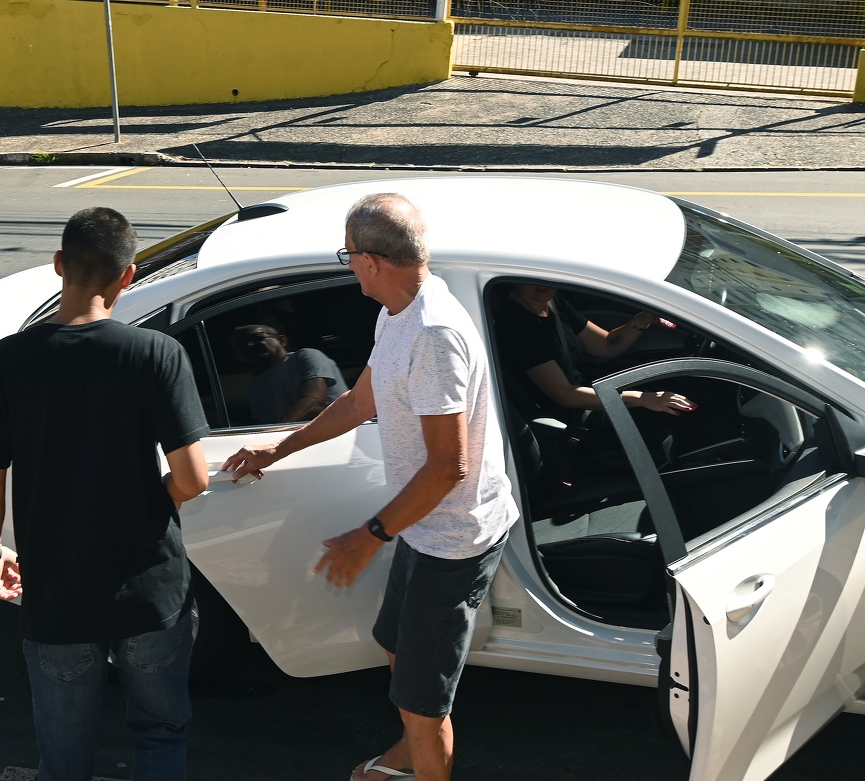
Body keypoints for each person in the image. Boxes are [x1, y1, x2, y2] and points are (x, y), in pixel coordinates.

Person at [222, 193, 519, 781]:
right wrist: (278, 448)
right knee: (394, 643)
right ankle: (409, 750)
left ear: (373, 261)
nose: (348, 266)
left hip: (453, 539)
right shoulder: (397, 317)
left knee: (424, 701)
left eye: (348, 255)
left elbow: (447, 467)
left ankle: (421, 752)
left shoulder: (433, 336)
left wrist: (370, 536)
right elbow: (361, 400)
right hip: (424, 528)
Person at [0, 207, 210, 781]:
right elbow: (194, 478)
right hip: (150, 590)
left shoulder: (6, 362)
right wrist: (149, 500)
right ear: (129, 276)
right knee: (161, 733)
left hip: (57, 596)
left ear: (58, 266)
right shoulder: (157, 355)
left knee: (64, 756)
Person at [496, 283, 696, 422]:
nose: (541, 282)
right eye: (531, 274)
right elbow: (565, 396)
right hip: (571, 418)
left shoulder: (552, 302)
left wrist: (641, 321)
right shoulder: (516, 324)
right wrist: (644, 399)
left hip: (587, 403)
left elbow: (606, 346)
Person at [231, 323, 349, 424]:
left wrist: (276, 433)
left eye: (257, 338)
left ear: (282, 341)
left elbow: (313, 403)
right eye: (241, 344)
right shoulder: (254, 389)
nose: (249, 345)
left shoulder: (304, 356)